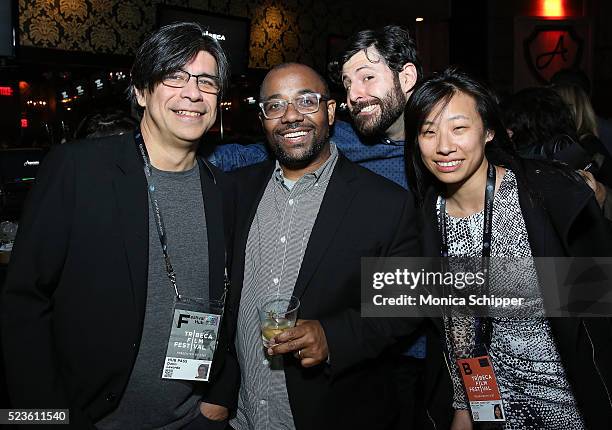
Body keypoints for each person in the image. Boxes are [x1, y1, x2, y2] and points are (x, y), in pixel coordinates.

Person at [1, 22, 237, 429]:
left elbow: (231, 299)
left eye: (206, 82)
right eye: (174, 76)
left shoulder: (224, 191)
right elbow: (24, 302)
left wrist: (220, 394)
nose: (193, 93)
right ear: (142, 91)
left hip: (192, 419)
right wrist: (47, 418)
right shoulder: (78, 170)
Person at [405, 67, 612, 430]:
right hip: (493, 408)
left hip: (569, 403)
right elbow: (459, 331)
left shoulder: (544, 194)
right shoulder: (428, 217)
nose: (443, 145)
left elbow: (596, 307)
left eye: (459, 127)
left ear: (488, 131)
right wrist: (462, 409)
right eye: (428, 131)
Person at [226, 62, 421, 430]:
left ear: (330, 112)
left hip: (332, 412)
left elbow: (404, 305)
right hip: (242, 415)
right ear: (263, 118)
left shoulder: (385, 204)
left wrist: (334, 337)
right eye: (275, 106)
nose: (291, 117)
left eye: (306, 101)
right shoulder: (236, 192)